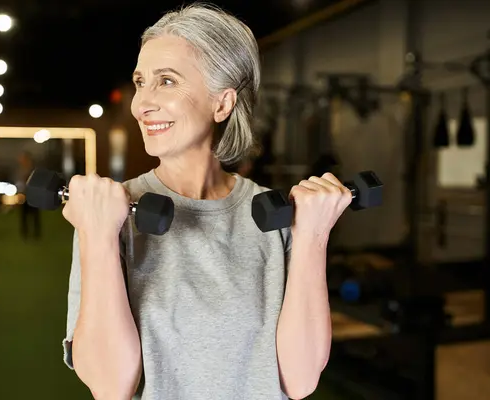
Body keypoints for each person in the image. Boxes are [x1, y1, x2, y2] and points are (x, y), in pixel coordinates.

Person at [61, 4, 353, 399]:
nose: (141, 103)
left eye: (166, 81)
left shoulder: (272, 214)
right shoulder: (111, 212)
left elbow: (298, 381)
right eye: (140, 81)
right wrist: (97, 236)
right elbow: (111, 388)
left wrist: (313, 236)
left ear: (222, 104)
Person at [17, 151, 41, 239]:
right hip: (24, 196)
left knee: (34, 216)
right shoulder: (21, 170)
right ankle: (25, 233)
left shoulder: (32, 170)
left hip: (32, 196)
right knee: (24, 217)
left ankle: (35, 233)